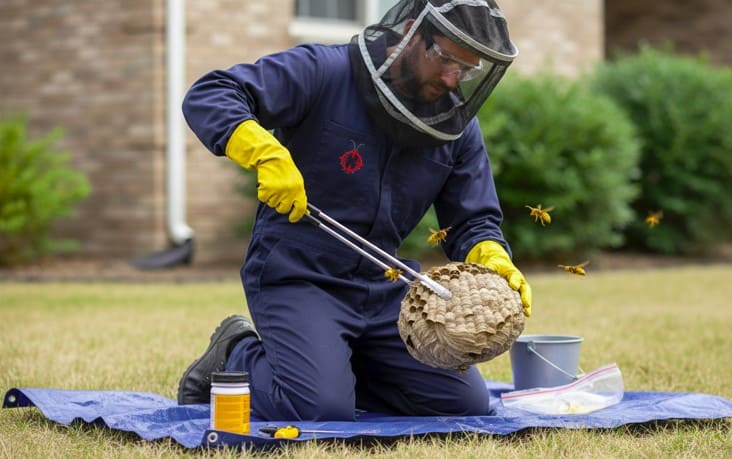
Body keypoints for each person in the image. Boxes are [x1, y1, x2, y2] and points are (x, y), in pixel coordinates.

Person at [177, 0, 532, 421]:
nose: (454, 77)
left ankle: (328, 369)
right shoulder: (324, 70)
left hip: (383, 289)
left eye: (467, 69)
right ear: (412, 33)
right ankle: (234, 353)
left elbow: (472, 220)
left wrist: (490, 254)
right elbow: (211, 93)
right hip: (298, 275)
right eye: (448, 59)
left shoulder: (455, 126)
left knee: (463, 405)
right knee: (317, 409)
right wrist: (264, 152)